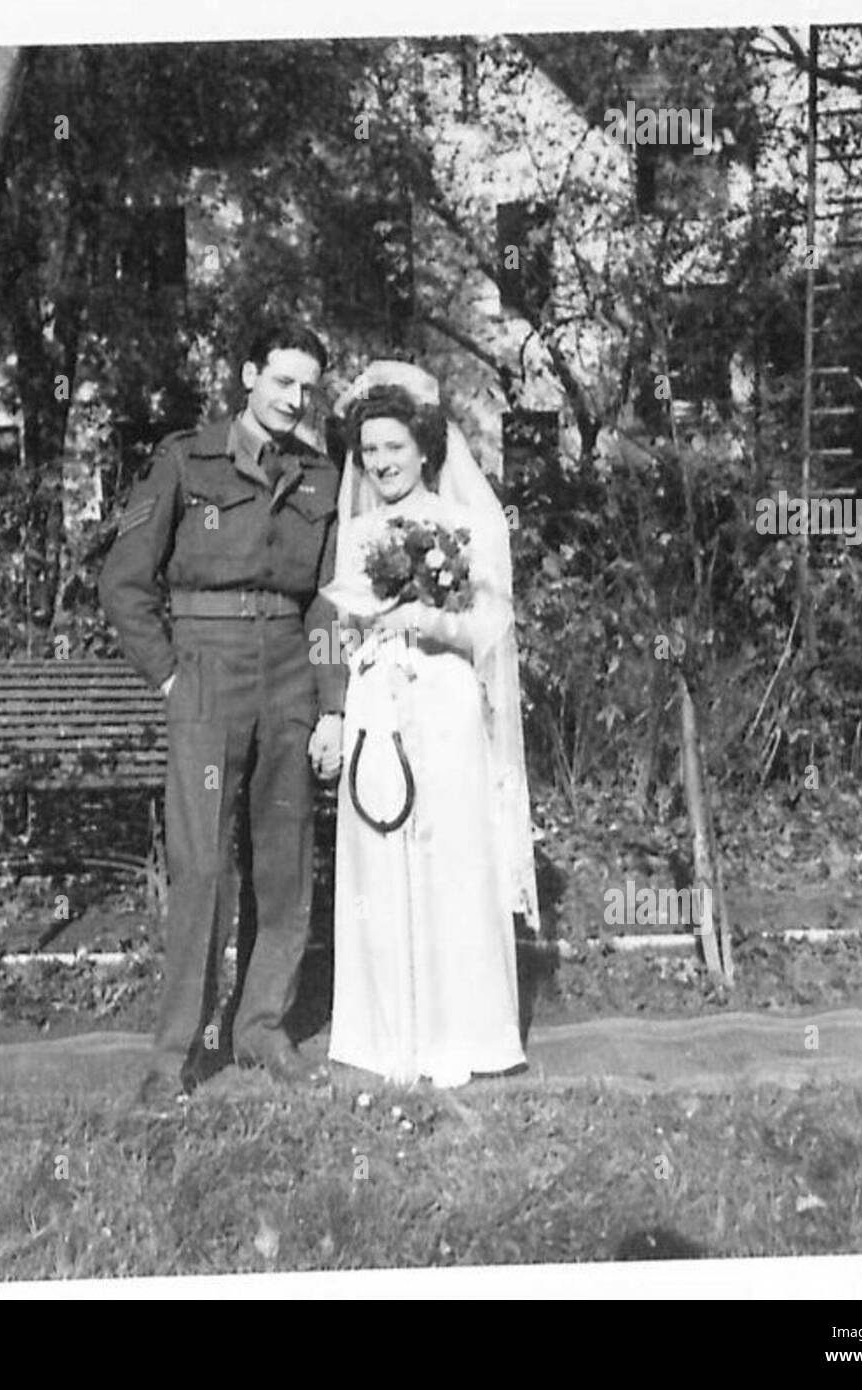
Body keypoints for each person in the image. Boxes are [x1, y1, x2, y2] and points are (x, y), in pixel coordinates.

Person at [99, 322, 346, 1100]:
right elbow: (124, 584)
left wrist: (331, 704)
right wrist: (172, 678)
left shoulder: (321, 479)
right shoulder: (185, 460)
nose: (293, 399)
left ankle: (261, 1028)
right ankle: (175, 1053)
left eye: (306, 387)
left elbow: (329, 603)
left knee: (284, 860)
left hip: (289, 673)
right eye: (281, 382)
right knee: (202, 863)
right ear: (248, 376)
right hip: (206, 667)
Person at [322, 362, 539, 1088]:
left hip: (444, 697)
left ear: (423, 449)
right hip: (378, 700)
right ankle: (389, 1034)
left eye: (394, 447)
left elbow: (491, 628)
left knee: (449, 854)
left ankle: (462, 1032)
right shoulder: (354, 534)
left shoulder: (468, 525)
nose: (382, 462)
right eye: (370, 451)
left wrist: (431, 622)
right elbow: (339, 630)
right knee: (381, 852)